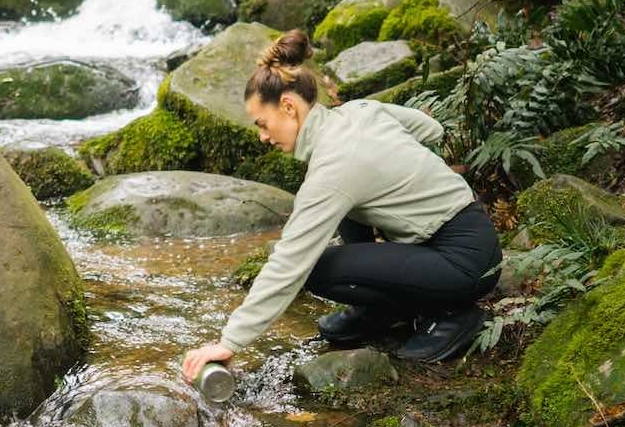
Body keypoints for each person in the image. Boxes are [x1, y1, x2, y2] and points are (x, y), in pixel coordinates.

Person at [181, 29, 500, 386]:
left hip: (464, 264)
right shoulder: (358, 111)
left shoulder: (333, 170)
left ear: (288, 107)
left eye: (262, 123)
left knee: (315, 267)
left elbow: (290, 262)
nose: (262, 136)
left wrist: (229, 342)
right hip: (474, 233)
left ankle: (452, 315)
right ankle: (378, 311)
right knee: (351, 208)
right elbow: (431, 129)